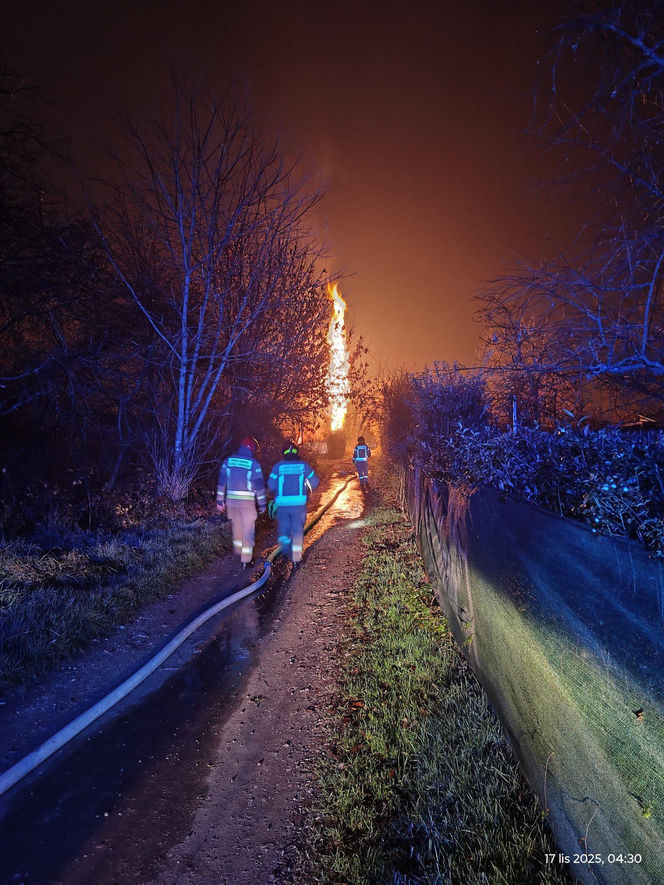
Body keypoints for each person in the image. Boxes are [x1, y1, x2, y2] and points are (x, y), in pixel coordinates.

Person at [267, 441, 319, 568]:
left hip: (282, 506)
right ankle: (296, 558)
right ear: (296, 452)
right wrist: (307, 488)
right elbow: (315, 482)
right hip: (299, 505)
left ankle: (284, 553)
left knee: (284, 529)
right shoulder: (304, 466)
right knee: (297, 530)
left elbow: (271, 485)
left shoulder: (277, 467)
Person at [216, 436, 266, 568]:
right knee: (248, 531)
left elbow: (222, 483)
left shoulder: (228, 461)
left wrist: (219, 501)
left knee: (237, 527)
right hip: (247, 504)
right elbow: (259, 487)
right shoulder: (253, 464)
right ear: (252, 449)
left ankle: (238, 550)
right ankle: (246, 559)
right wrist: (262, 504)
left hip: (232, 503)